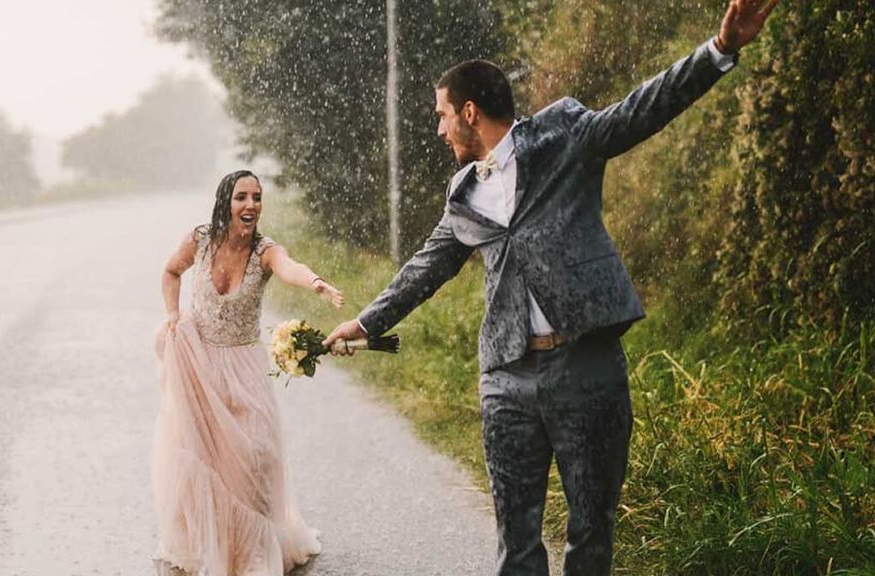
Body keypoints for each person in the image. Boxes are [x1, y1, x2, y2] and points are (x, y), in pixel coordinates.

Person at [323, 1, 778, 574]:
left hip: (586, 368)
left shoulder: (565, 134)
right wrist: (365, 324)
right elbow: (425, 269)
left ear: (469, 111)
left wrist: (720, 50)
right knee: (516, 541)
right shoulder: (461, 194)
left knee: (590, 533)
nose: (438, 129)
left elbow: (641, 110)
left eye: (442, 115)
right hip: (506, 378)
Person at [154, 169, 340, 575]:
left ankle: (255, 550)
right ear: (226, 202)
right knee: (208, 462)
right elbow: (170, 272)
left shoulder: (264, 251)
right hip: (199, 365)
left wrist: (316, 283)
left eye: (257, 197)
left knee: (257, 456)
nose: (251, 205)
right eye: (242, 197)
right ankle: (216, 547)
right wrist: (172, 315)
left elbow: (290, 266)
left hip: (244, 368)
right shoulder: (200, 240)